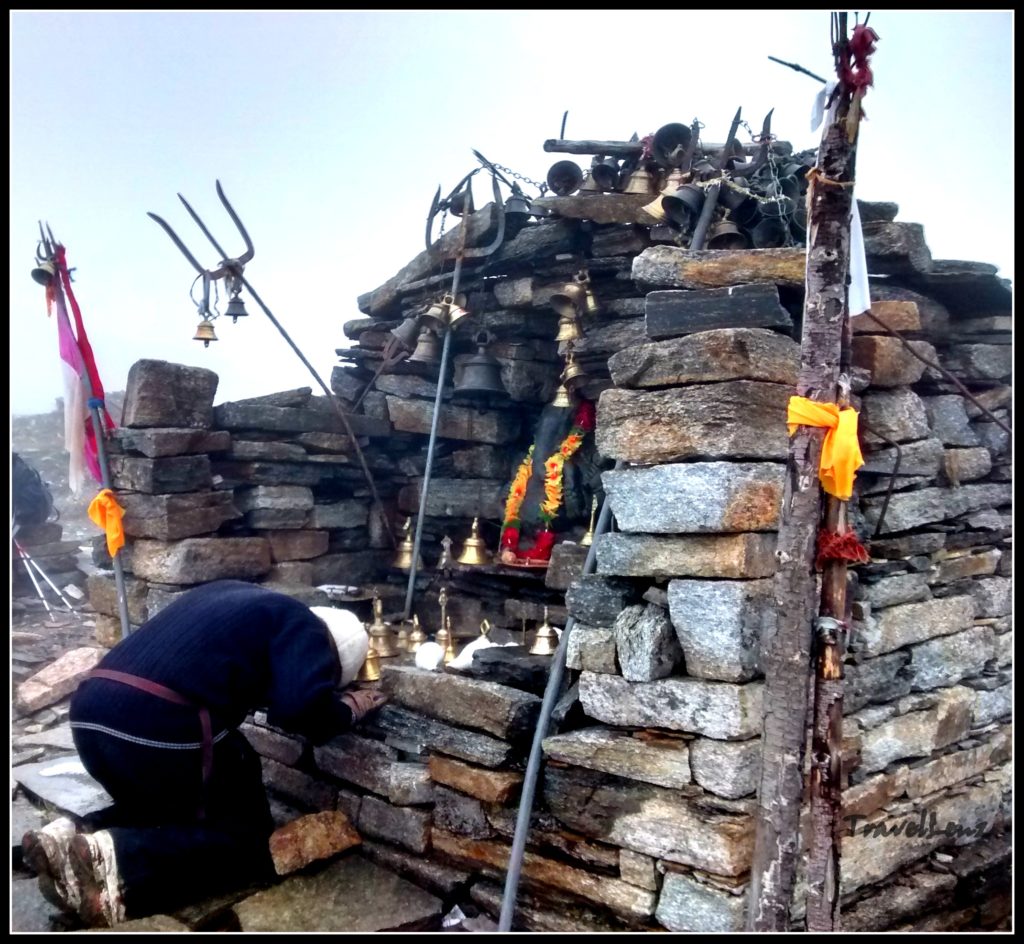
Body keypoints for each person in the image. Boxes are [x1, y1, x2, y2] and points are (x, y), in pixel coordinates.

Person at [22, 579, 388, 927]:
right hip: (154, 723)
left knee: (168, 810)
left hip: (91, 713)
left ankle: (72, 836)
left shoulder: (238, 597)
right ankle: (117, 860)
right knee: (246, 836)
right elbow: (299, 709)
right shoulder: (306, 629)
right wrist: (346, 709)